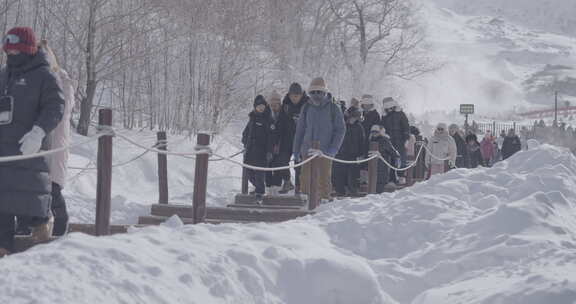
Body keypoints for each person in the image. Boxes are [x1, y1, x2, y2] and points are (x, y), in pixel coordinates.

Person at [0, 27, 65, 256]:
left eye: (16, 52)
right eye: (8, 52)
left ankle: (40, 259)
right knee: (2, 209)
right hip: (3, 156)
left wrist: (38, 132)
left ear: (28, 50)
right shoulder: (4, 74)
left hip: (29, 153)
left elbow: (56, 105)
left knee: (32, 202)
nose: (11, 56)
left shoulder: (44, 75)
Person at [17, 40, 75, 237]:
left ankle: (61, 222)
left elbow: (62, 108)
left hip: (54, 140)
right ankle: (27, 227)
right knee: (29, 185)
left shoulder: (61, 79)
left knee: (52, 187)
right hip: (36, 139)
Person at [293, 77, 345, 202]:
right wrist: (296, 151)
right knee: (305, 178)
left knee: (323, 179)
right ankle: (305, 203)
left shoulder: (333, 108)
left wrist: (333, 149)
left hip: (325, 151)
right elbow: (300, 130)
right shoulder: (306, 108)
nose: (316, 95)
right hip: (307, 149)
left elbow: (340, 129)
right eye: (313, 92)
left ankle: (324, 203)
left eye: (319, 92)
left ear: (324, 92)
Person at [242, 95, 271, 199]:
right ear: (255, 107)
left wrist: (269, 151)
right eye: (259, 106)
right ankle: (258, 188)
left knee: (259, 173)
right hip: (250, 151)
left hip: (262, 152)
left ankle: (260, 192)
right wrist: (245, 143)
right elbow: (245, 133)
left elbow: (271, 137)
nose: (261, 108)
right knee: (248, 172)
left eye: (263, 106)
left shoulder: (268, 119)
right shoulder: (252, 118)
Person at [281, 83, 308, 194]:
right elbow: (280, 123)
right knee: (281, 160)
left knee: (299, 164)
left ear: (301, 95)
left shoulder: (307, 105)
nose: (294, 98)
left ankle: (299, 187)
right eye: (292, 95)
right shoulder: (286, 105)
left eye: (297, 95)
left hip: (302, 140)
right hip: (287, 138)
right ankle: (287, 181)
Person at [333, 107, 364, 197]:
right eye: (352, 117)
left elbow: (361, 141)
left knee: (353, 174)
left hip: (353, 154)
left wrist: (360, 154)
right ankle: (340, 191)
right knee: (339, 173)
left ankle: (353, 190)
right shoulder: (341, 125)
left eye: (355, 118)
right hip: (341, 153)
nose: (353, 120)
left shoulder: (359, 127)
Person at [265, 91, 291, 196]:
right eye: (272, 104)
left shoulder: (285, 114)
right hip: (270, 143)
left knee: (281, 163)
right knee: (269, 164)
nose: (274, 106)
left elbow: (288, 130)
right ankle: (270, 187)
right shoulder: (267, 114)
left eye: (276, 103)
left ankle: (285, 181)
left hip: (283, 143)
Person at [380, 97, 410, 184]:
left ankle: (401, 176)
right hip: (389, 141)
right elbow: (382, 127)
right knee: (391, 160)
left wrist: (406, 138)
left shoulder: (400, 114)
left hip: (400, 141)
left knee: (401, 159)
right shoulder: (384, 116)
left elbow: (406, 127)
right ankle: (391, 178)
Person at [370, 125, 399, 194]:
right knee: (373, 181)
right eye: (373, 132)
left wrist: (396, 160)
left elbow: (393, 153)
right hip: (373, 166)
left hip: (383, 166)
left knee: (381, 183)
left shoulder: (385, 140)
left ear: (379, 132)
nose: (374, 134)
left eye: (376, 132)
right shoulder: (370, 140)